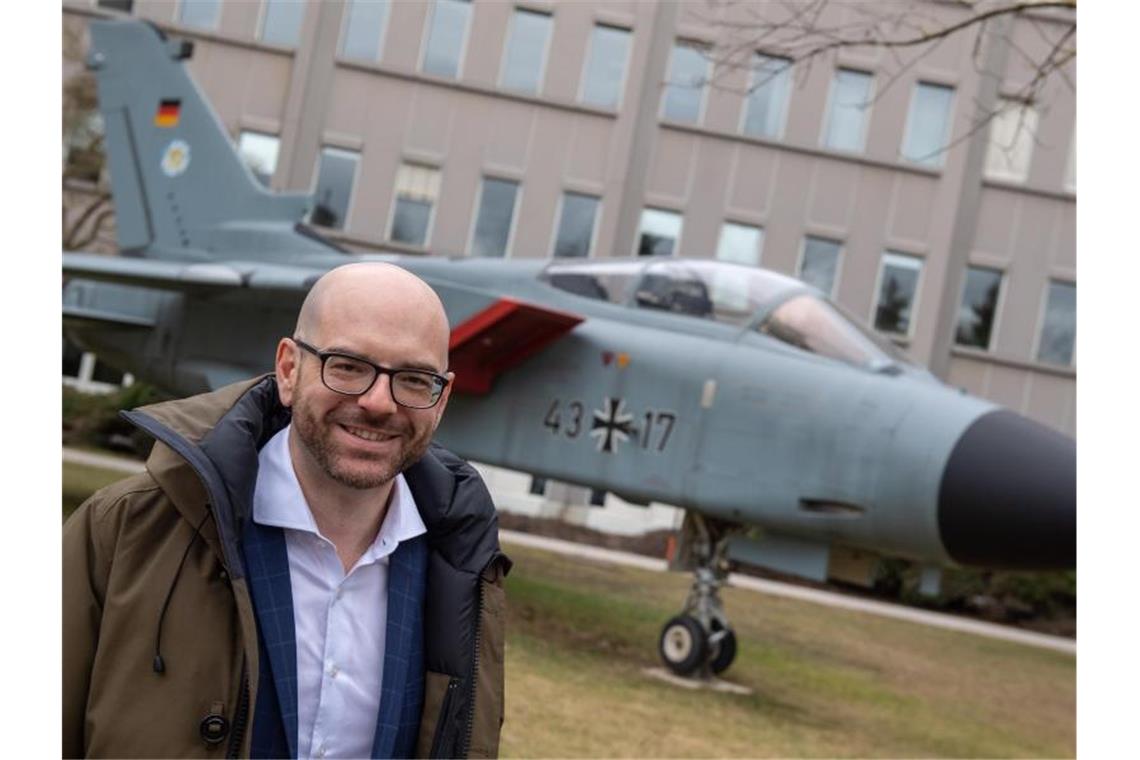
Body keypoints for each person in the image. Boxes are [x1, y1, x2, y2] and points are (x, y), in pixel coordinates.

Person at [63, 262, 510, 759]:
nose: (380, 402)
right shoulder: (124, 531)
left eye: (413, 378)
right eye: (348, 365)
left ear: (441, 397)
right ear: (289, 369)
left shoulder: (465, 573)